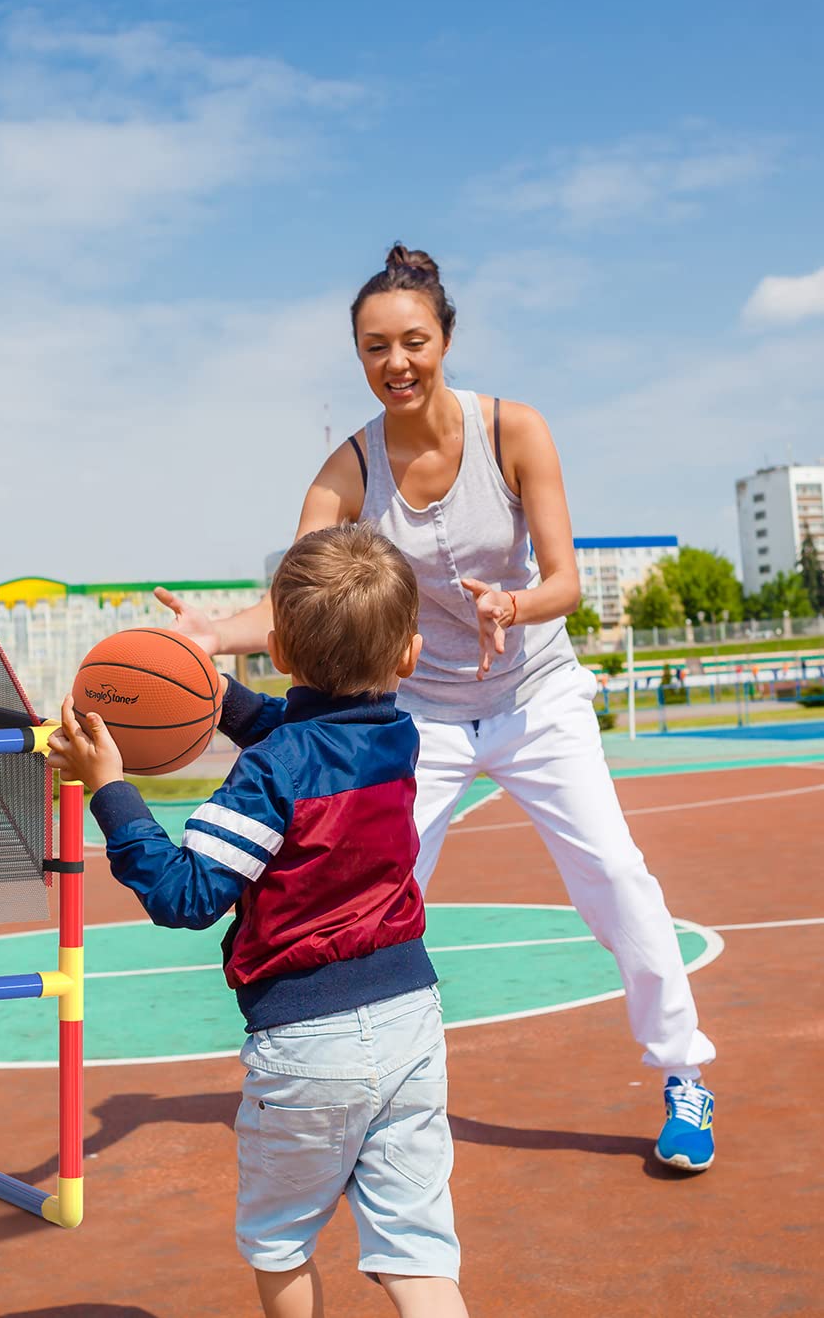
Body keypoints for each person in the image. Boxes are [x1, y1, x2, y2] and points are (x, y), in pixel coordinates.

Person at [157, 244, 716, 1172]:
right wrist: (213, 634)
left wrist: (515, 603)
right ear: (359, 357)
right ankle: (344, 1084)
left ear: (446, 338)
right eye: (375, 348)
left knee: (616, 877)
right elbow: (300, 603)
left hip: (536, 694)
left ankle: (683, 1073)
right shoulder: (347, 472)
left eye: (413, 341)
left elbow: (567, 579)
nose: (396, 363)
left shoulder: (515, 431)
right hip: (417, 716)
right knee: (358, 891)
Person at [51, 526, 468, 1318]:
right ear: (409, 655)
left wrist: (111, 789)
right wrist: (210, 693)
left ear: (277, 649)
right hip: (413, 1021)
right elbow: (311, 726)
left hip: (308, 1043)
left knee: (282, 1242)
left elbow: (184, 894)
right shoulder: (399, 737)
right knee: (416, 1251)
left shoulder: (270, 772)